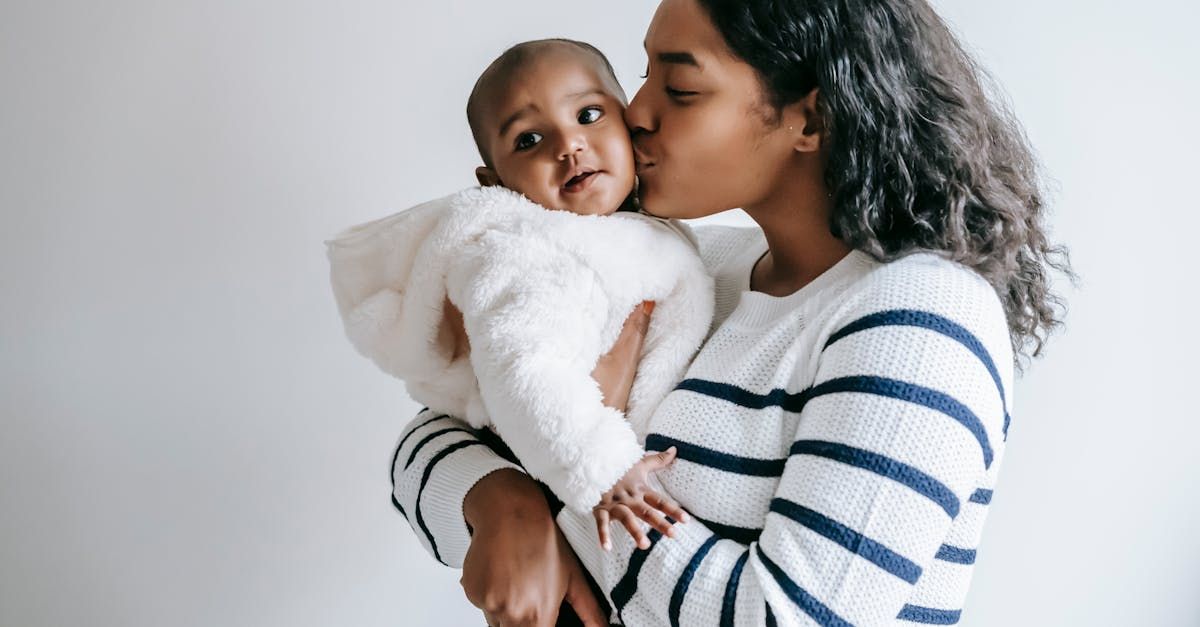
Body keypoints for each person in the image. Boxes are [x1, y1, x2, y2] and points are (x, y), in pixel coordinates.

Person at [392, 0, 1072, 625]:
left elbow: (778, 616)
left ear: (810, 117)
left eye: (681, 88)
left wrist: (588, 479)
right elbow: (440, 427)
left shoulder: (921, 320)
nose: (636, 113)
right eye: (644, 74)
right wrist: (500, 500)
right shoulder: (691, 265)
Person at [328, 39, 712, 549]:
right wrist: (601, 466)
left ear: (627, 121)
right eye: (529, 139)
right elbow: (524, 371)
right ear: (497, 184)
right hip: (582, 496)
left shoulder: (650, 237)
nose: (568, 145)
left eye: (589, 114)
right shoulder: (524, 255)